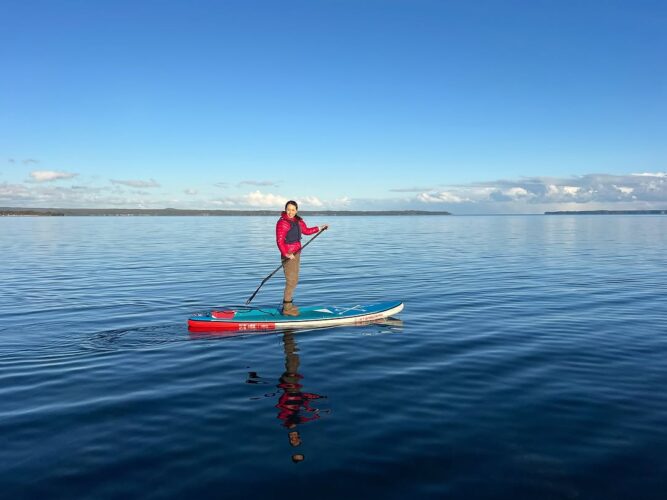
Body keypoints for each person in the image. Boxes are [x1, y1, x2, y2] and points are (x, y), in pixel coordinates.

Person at [275, 200, 328, 316]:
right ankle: (287, 308)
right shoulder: (282, 223)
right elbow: (279, 241)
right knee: (291, 281)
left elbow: (307, 231)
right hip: (289, 254)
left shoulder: (298, 221)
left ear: (296, 210)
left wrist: (320, 228)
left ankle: (288, 304)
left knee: (294, 280)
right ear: (285, 209)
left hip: (297, 253)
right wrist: (286, 254)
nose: (290, 212)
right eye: (288, 209)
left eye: (293, 210)